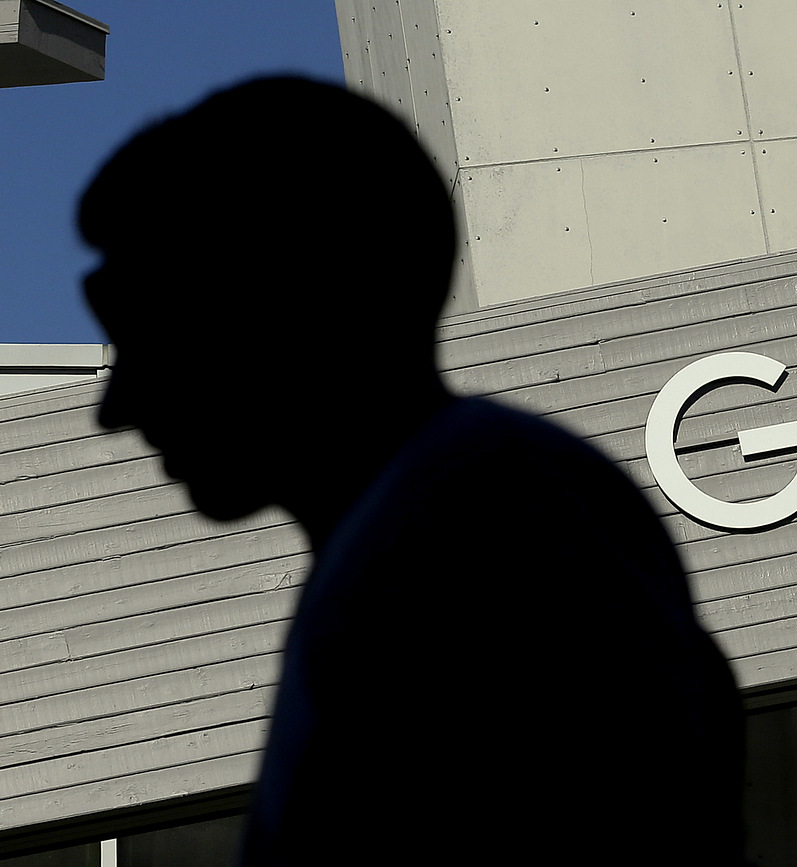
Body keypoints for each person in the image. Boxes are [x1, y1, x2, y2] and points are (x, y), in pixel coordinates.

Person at [79, 76, 745, 865]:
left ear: (290, 300)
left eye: (150, 330)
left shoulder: (485, 517)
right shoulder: (444, 519)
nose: (114, 408)